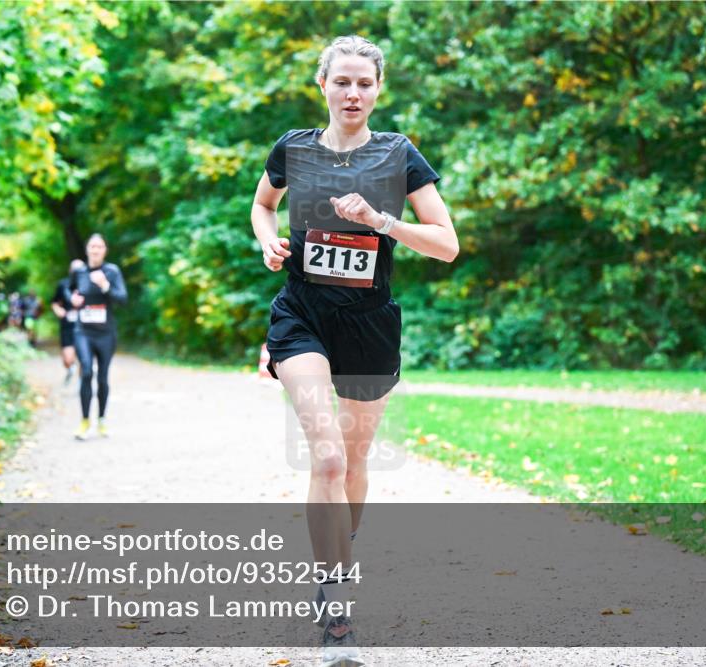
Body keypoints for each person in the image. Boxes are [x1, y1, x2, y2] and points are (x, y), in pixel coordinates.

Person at [250, 35, 458, 666]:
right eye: (342, 81)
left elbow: (446, 244)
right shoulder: (294, 148)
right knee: (331, 459)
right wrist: (267, 242)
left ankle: (337, 549)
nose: (353, 93)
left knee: (357, 462)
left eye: (365, 83)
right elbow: (263, 206)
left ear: (378, 89)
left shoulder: (400, 156)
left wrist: (381, 221)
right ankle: (336, 613)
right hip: (302, 315)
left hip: (369, 322)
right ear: (323, 85)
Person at [66, 234, 127, 440]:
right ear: (87, 249)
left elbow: (123, 299)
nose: (95, 250)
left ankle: (101, 419)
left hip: (105, 333)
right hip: (83, 331)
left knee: (102, 377)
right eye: (92, 246)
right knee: (86, 372)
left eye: (99, 247)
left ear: (105, 250)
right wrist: (72, 300)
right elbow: (70, 293)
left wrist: (105, 285)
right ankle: (84, 421)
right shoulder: (79, 272)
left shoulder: (112, 271)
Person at [50, 259, 85, 385]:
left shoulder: (88, 284)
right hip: (67, 326)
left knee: (84, 358)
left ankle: (82, 383)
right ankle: (70, 368)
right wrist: (58, 310)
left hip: (84, 327)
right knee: (68, 359)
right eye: (74, 269)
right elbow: (54, 302)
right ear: (70, 270)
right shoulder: (63, 285)